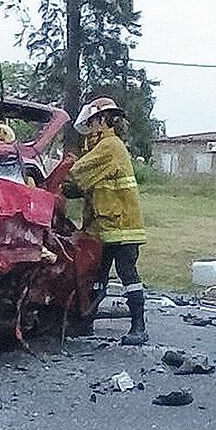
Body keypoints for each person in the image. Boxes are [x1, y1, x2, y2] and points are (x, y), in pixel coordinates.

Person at [64, 97, 148, 346]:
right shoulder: (101, 147)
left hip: (122, 226)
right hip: (104, 225)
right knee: (97, 274)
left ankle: (139, 327)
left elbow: (77, 174)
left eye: (91, 123)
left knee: (127, 274)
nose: (89, 128)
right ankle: (86, 321)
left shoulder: (110, 145)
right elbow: (87, 185)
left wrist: (55, 179)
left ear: (101, 120)